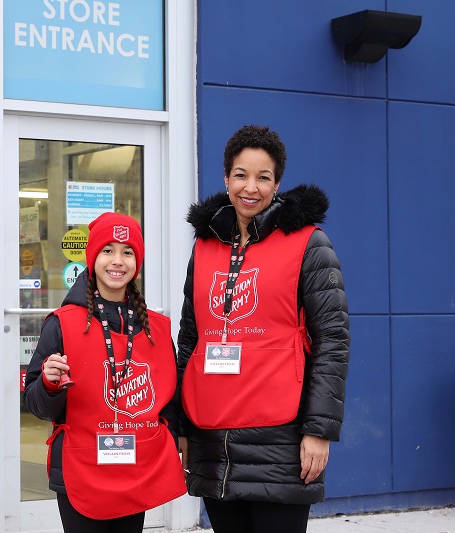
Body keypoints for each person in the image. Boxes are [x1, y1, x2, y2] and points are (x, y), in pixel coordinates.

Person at [177, 125, 350, 533]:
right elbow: (190, 339)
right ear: (226, 178)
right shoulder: (204, 247)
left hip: (280, 440)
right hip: (213, 437)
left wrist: (318, 430)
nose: (250, 187)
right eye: (241, 175)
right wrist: (182, 425)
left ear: (278, 183)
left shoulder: (309, 243)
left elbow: (333, 340)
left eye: (263, 177)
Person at [23, 212, 186, 532]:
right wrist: (49, 384)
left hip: (134, 466)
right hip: (80, 466)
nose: (118, 260)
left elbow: (168, 394)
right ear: (92, 257)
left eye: (127, 252)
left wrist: (176, 435)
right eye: (108, 250)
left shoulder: (155, 328)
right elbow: (35, 403)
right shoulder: (62, 323)